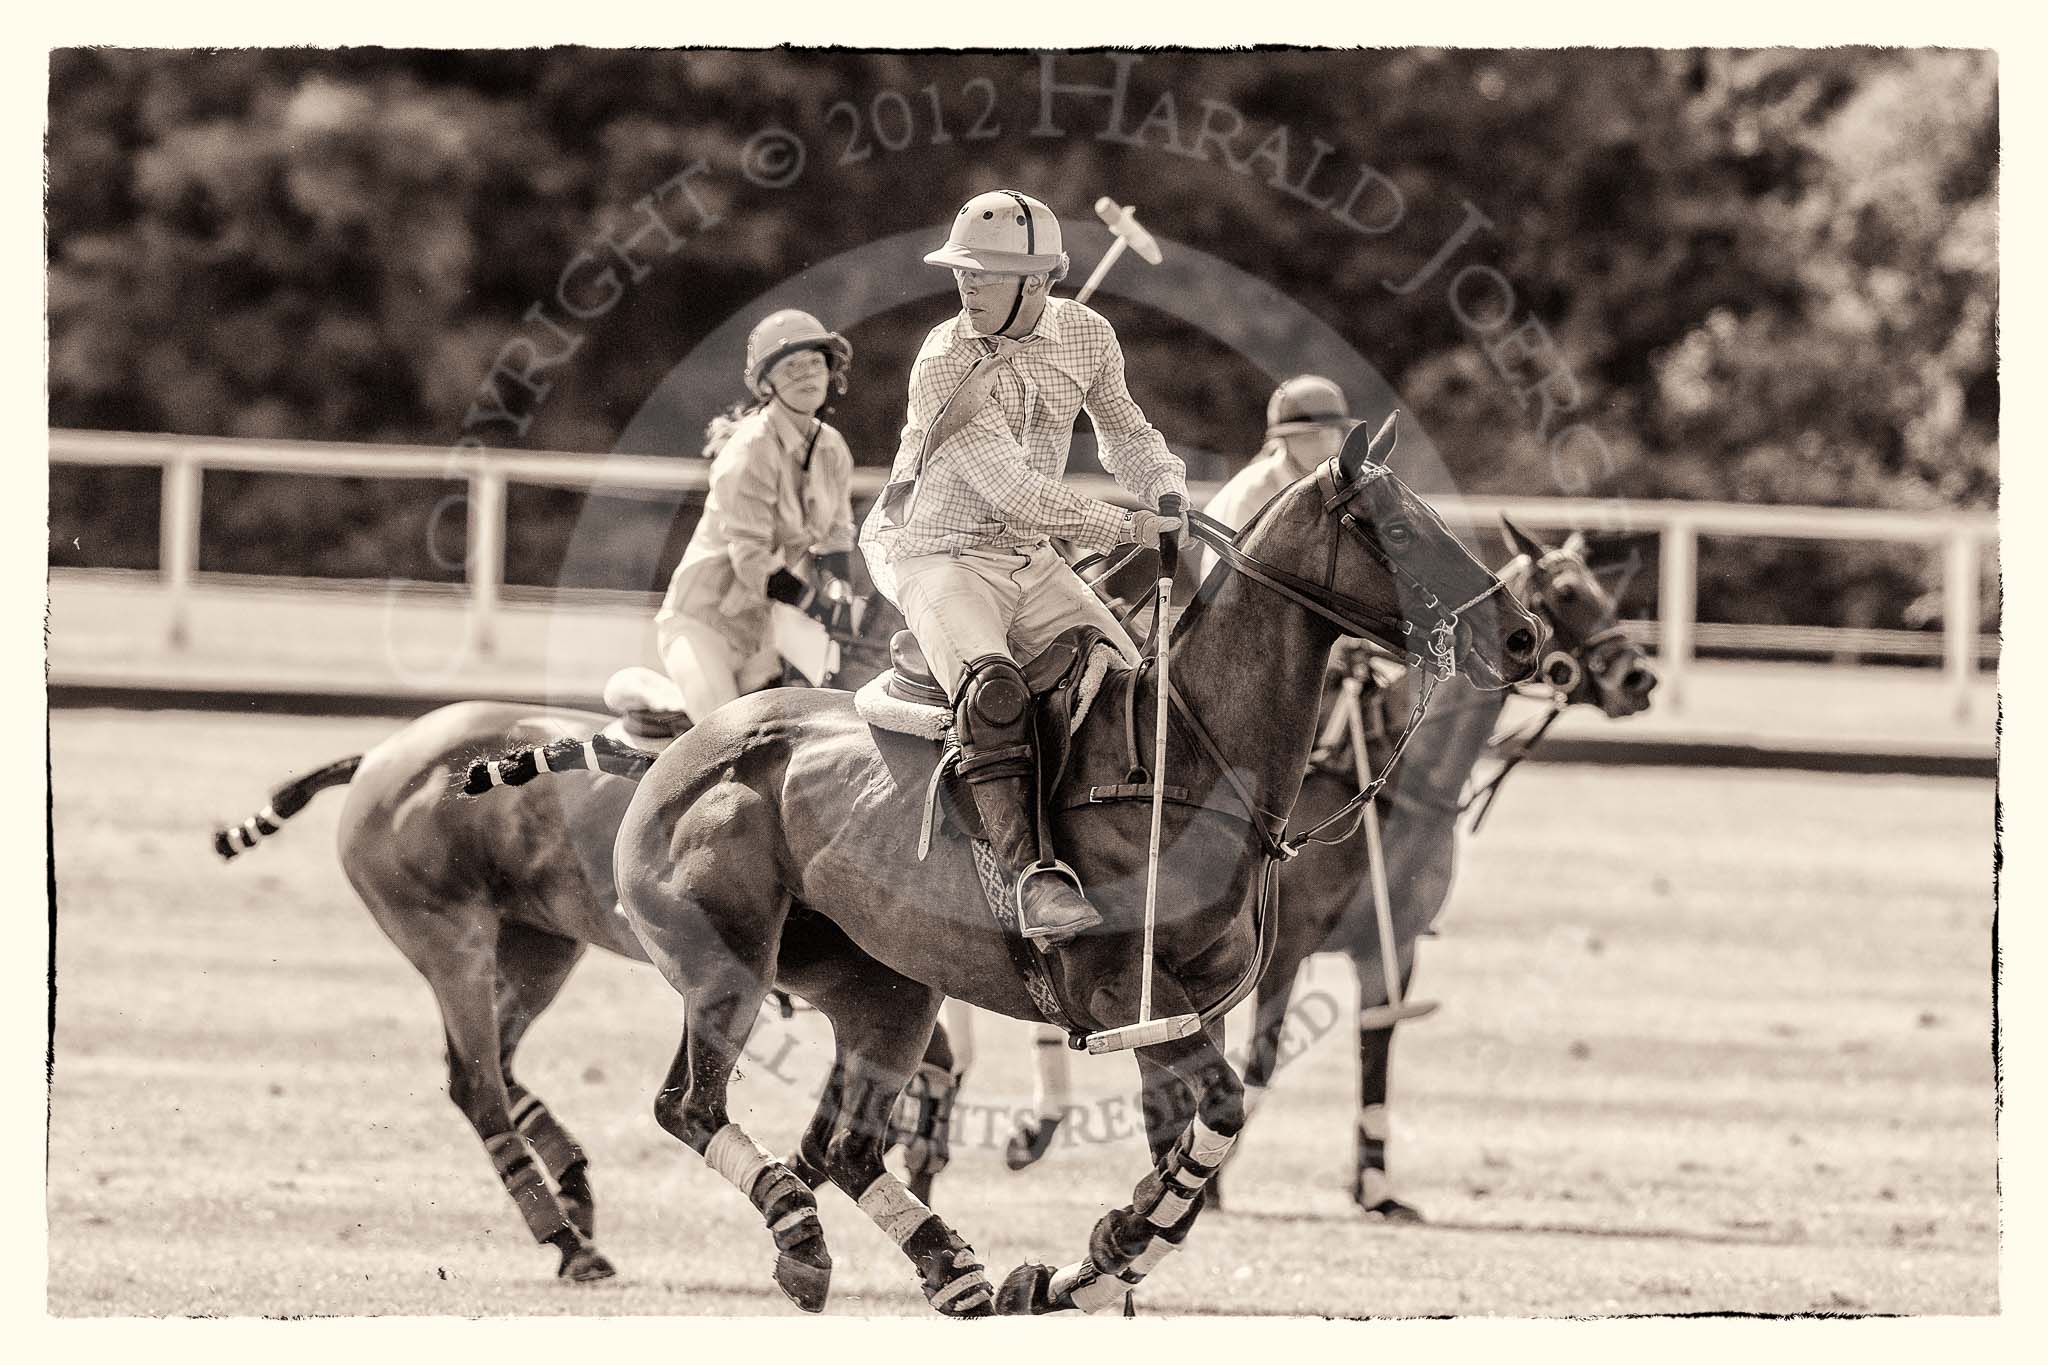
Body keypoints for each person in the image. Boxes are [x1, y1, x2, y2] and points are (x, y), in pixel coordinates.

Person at [857, 188, 1189, 946]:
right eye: (961, 271)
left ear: (1037, 281)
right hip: (939, 555)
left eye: (983, 273)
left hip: (1030, 557)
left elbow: (1126, 433)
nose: (964, 284)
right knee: (995, 692)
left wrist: (1164, 486)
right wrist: (1129, 526)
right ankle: (1032, 877)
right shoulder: (945, 358)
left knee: (1133, 681)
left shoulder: (1089, 334)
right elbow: (1014, 490)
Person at [655, 308, 858, 725]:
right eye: (792, 366)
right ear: (766, 384)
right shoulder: (749, 449)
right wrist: (818, 606)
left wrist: (838, 590)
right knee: (725, 737)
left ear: (830, 372)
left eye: (815, 362)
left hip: (759, 637)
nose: (808, 374)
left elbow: (836, 538)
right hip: (700, 628)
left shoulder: (833, 448)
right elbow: (751, 562)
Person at [1192, 375, 1354, 584]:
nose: (1324, 445)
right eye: (1310, 436)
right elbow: (1232, 585)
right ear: (1284, 439)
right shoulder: (1251, 495)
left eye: (1332, 434)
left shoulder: (1344, 486)